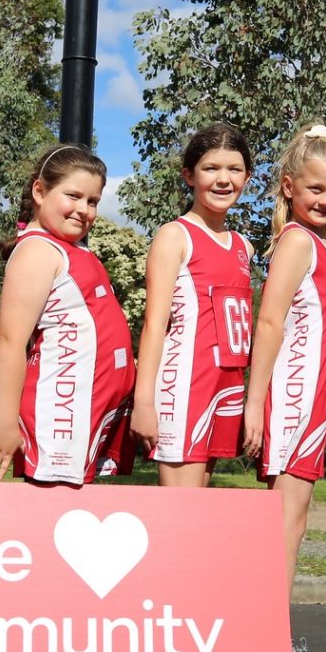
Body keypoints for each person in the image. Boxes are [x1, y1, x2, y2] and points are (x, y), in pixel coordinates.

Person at [244, 124, 326, 652]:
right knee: (284, 523)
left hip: (319, 398)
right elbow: (271, 321)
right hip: (292, 396)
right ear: (289, 186)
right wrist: (257, 402)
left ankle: (269, 641)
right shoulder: (296, 242)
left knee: (295, 520)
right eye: (316, 189)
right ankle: (270, 650)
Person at [0, 144, 136, 485]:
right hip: (62, 408)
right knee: (53, 515)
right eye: (74, 196)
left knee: (73, 516)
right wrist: (5, 424)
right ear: (40, 191)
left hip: (89, 408)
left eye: (93, 201)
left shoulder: (74, 248)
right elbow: (10, 343)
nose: (84, 210)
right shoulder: (37, 250)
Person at [131, 123, 258, 485]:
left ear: (247, 177)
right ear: (189, 175)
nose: (223, 180)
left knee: (200, 509)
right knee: (180, 513)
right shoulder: (175, 236)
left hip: (226, 387)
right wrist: (144, 402)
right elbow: (155, 325)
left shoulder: (242, 247)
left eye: (234, 169)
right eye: (210, 168)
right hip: (183, 389)